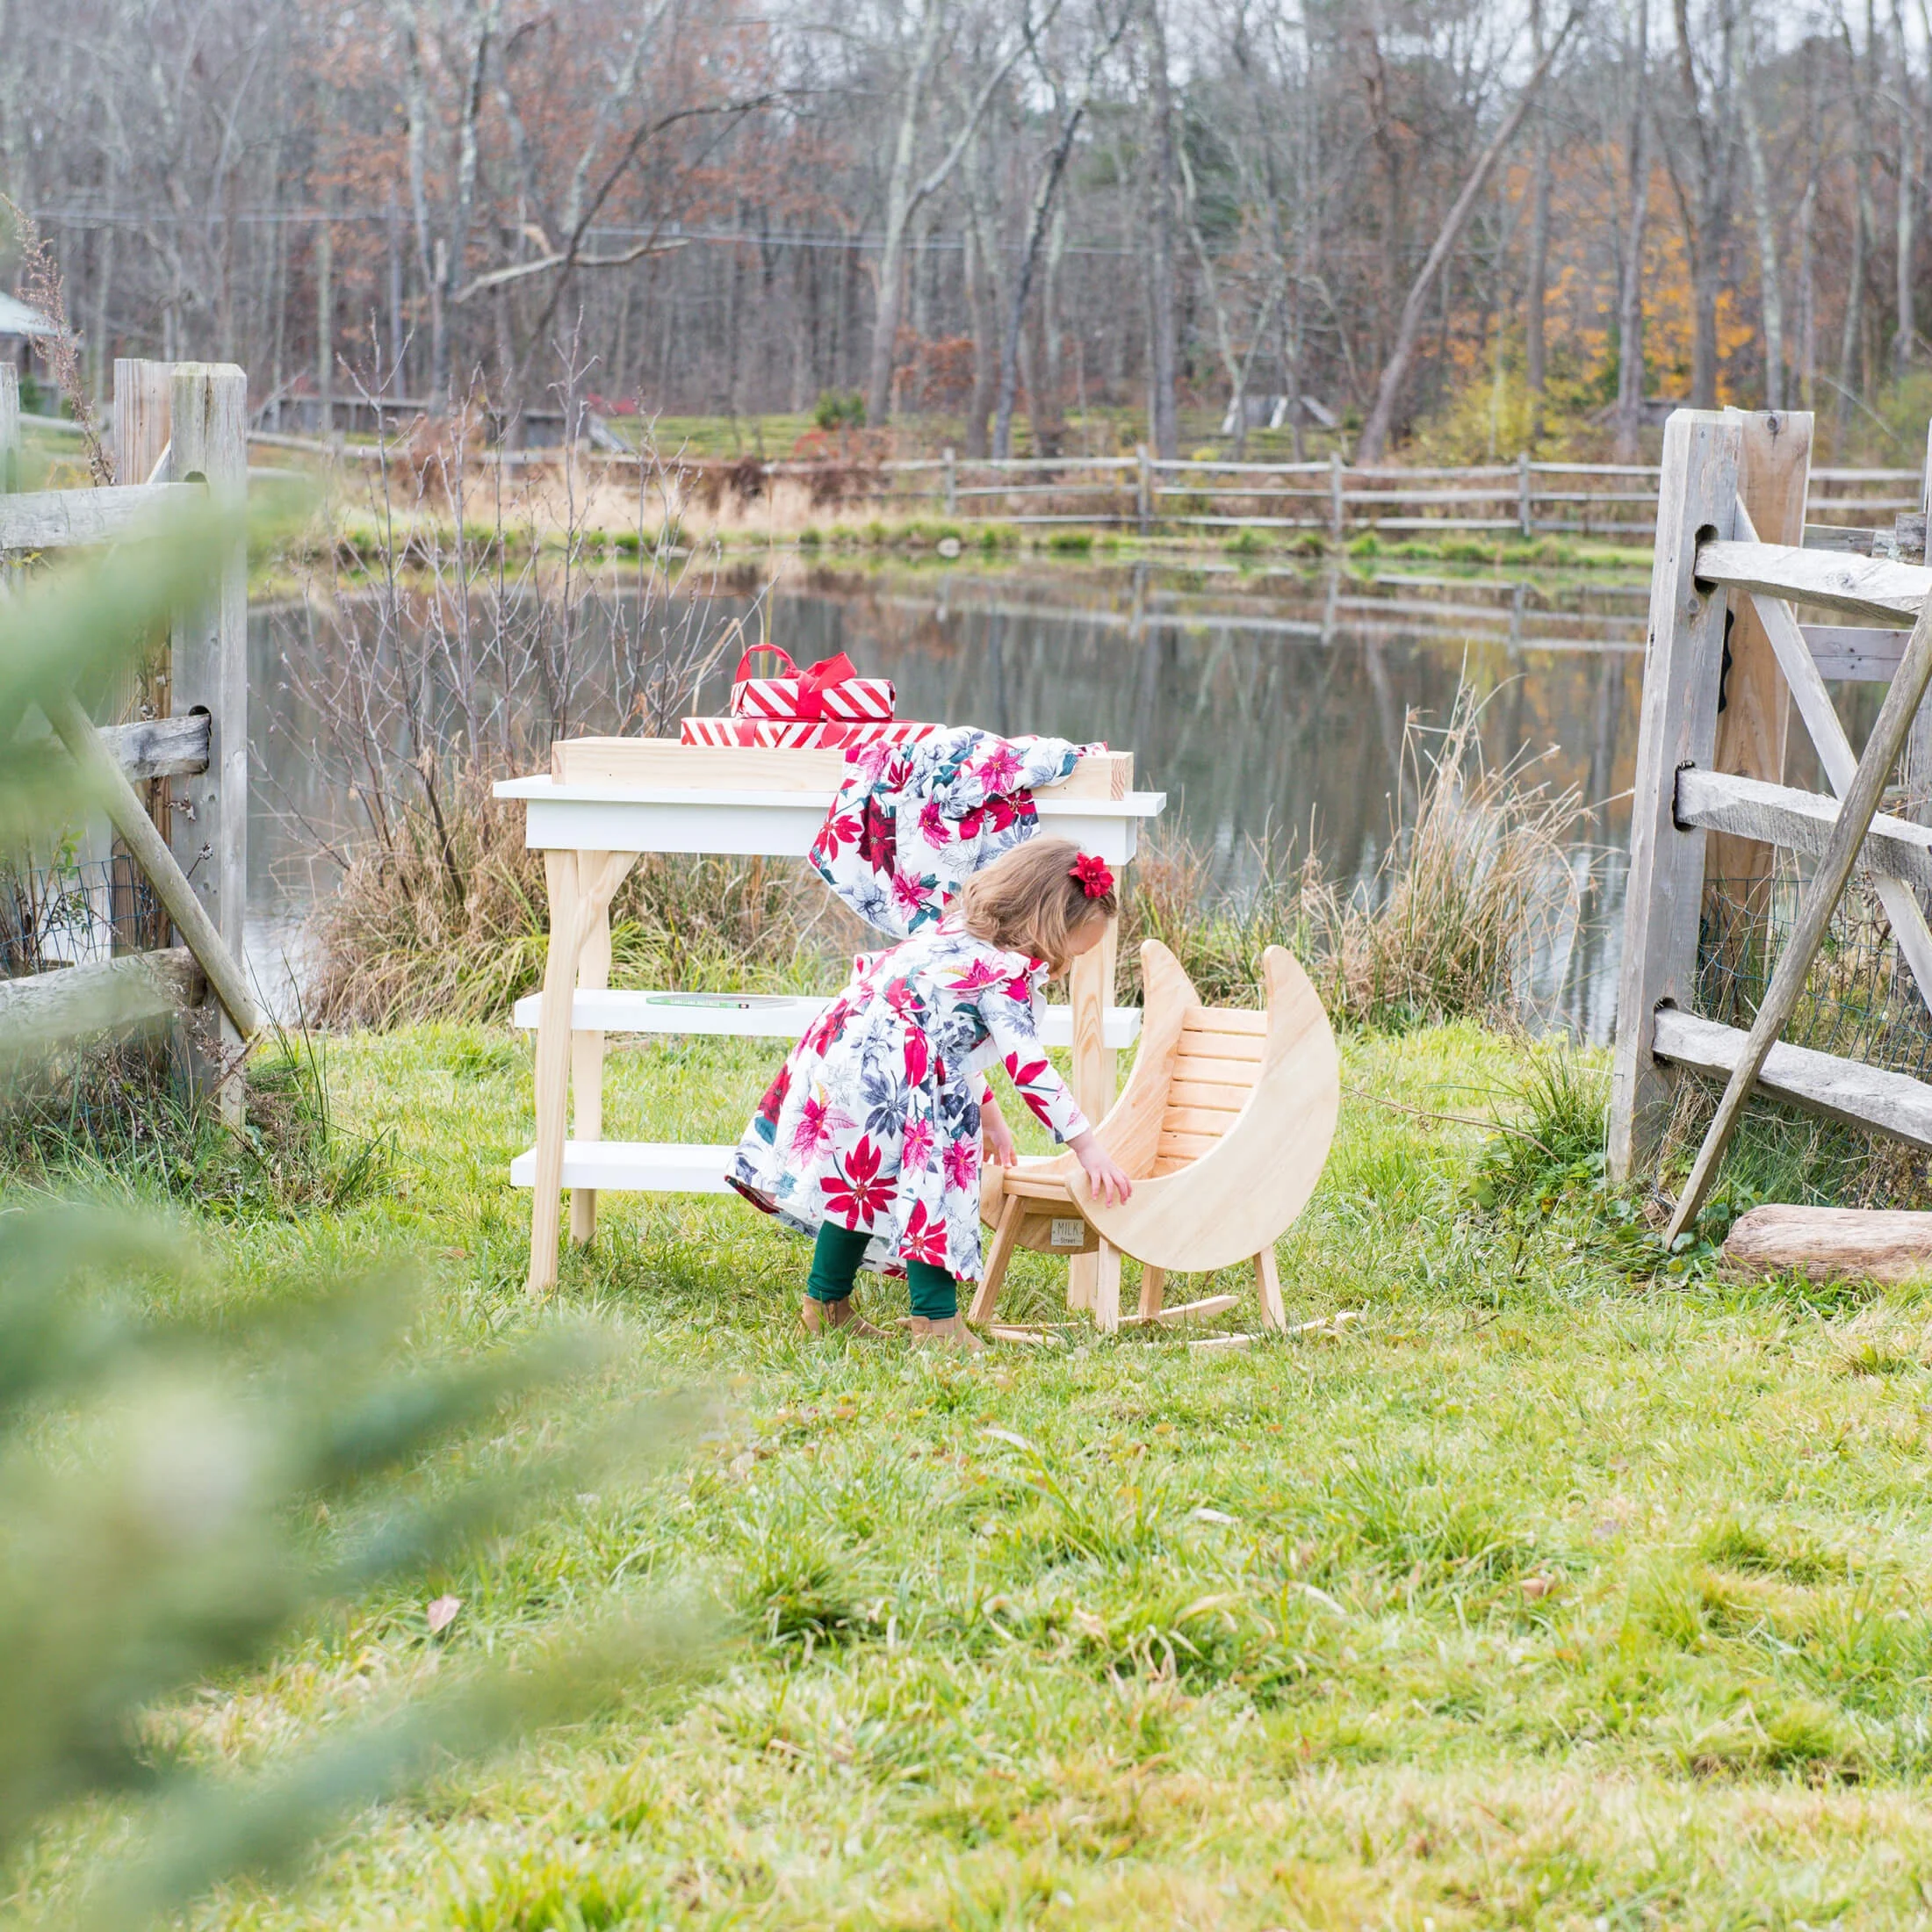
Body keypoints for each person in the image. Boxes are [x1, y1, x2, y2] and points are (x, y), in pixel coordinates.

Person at [727, 836, 1135, 1351]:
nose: (1068, 965)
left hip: (850, 1058)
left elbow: (941, 1032)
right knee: (932, 1188)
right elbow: (1030, 1067)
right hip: (899, 1074)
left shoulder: (955, 933)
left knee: (862, 1180)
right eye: (1073, 950)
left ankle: (825, 1304)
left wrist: (989, 1114)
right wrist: (1087, 1146)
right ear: (1048, 926)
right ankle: (937, 1324)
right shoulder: (1004, 974)